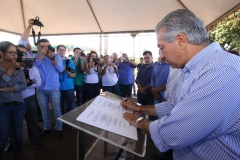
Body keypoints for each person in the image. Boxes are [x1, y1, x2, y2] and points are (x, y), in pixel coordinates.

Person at [121, 9, 240, 160]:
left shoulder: (221, 71)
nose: (161, 55)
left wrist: (137, 120)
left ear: (181, 41)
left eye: (162, 47)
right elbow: (173, 107)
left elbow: (173, 133)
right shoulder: (195, 68)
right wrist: (138, 108)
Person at [0, 41, 27, 159]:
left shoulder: (19, 68)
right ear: (1, 53)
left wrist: (3, 90)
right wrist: (10, 69)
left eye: (15, 53)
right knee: (2, 135)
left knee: (18, 133)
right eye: (11, 53)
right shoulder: (13, 67)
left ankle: (18, 152)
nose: (15, 55)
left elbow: (23, 86)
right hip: (2, 107)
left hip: (18, 105)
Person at [35, 38, 64, 140]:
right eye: (42, 46)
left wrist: (53, 58)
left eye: (46, 46)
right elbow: (34, 68)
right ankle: (47, 127)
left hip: (54, 87)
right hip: (40, 88)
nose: (44, 48)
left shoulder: (56, 56)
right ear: (38, 47)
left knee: (56, 109)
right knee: (44, 110)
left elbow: (60, 69)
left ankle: (59, 128)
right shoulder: (36, 57)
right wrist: (41, 55)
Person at [57, 45, 76, 114]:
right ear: (57, 51)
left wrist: (70, 73)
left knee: (72, 106)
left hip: (69, 87)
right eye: (60, 50)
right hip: (58, 88)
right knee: (60, 107)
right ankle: (60, 123)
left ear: (65, 51)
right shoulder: (54, 61)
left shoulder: (70, 61)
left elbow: (74, 74)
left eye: (63, 50)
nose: (62, 51)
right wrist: (62, 69)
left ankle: (72, 122)